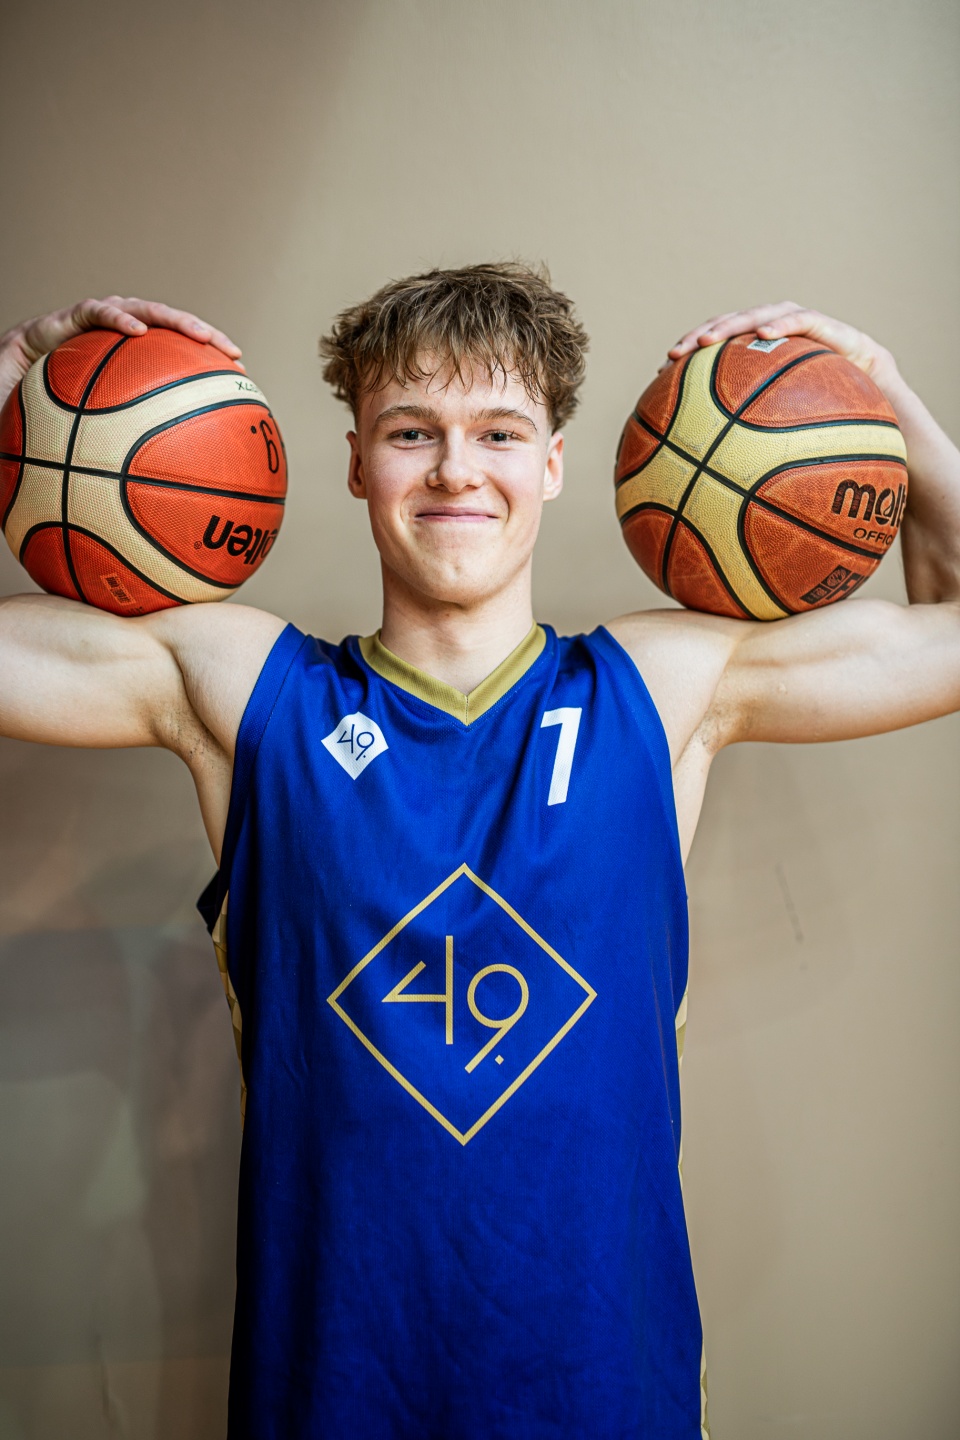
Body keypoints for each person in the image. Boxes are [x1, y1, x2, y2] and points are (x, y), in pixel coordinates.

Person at [1, 267, 958, 1440]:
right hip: (329, 1398)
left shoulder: (663, 689)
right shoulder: (247, 694)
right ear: (357, 463)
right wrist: (14, 379)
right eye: (412, 432)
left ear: (550, 463)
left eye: (498, 432)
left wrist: (887, 397)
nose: (457, 469)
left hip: (606, 1397)